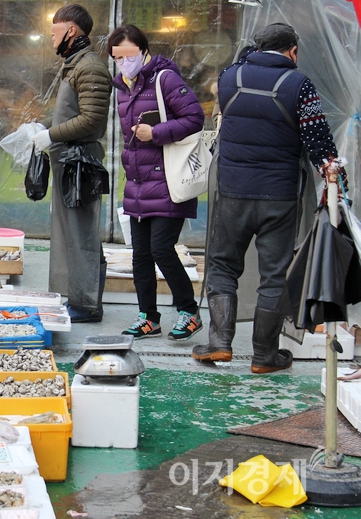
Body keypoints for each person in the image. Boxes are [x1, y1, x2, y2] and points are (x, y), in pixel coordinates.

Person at [192, 23, 343, 373]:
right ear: (293, 50)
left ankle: (219, 343)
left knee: (222, 265)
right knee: (274, 275)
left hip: (232, 190)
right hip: (279, 195)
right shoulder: (299, 84)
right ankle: (264, 356)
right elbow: (319, 141)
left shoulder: (229, 77)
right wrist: (336, 178)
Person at [107, 25, 205, 341]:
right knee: (141, 255)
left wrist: (157, 132)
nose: (124, 63)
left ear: (144, 51)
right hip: (137, 183)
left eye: (129, 55)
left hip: (168, 181)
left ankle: (189, 312)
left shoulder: (165, 79)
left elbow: (195, 118)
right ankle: (148, 317)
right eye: (117, 57)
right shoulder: (123, 88)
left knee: (161, 249)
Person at [30, 5, 111, 322]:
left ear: (71, 30)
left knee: (82, 236)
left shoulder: (89, 67)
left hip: (81, 163)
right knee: (76, 234)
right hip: (68, 160)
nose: (51, 38)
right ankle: (81, 298)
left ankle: (87, 304)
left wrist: (51, 134)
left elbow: (91, 120)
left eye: (54, 31)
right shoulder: (74, 64)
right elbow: (71, 113)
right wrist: (42, 127)